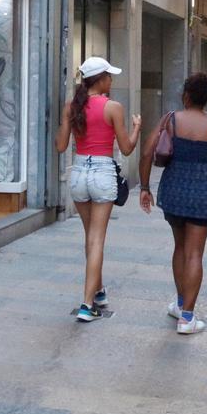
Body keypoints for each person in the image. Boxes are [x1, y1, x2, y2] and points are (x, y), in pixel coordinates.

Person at [139, 73, 207, 334]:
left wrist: (145, 187)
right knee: (195, 253)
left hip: (175, 188)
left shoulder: (171, 119)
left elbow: (148, 152)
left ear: (186, 95)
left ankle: (181, 305)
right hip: (204, 189)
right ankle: (187, 317)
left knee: (180, 247)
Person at [55, 57, 141, 323]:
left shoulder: (72, 107)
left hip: (79, 171)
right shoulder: (113, 107)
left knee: (90, 237)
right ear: (101, 79)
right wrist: (137, 128)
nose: (111, 80)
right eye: (109, 76)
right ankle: (86, 303)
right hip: (103, 172)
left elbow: (60, 146)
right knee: (97, 240)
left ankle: (99, 292)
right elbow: (126, 148)